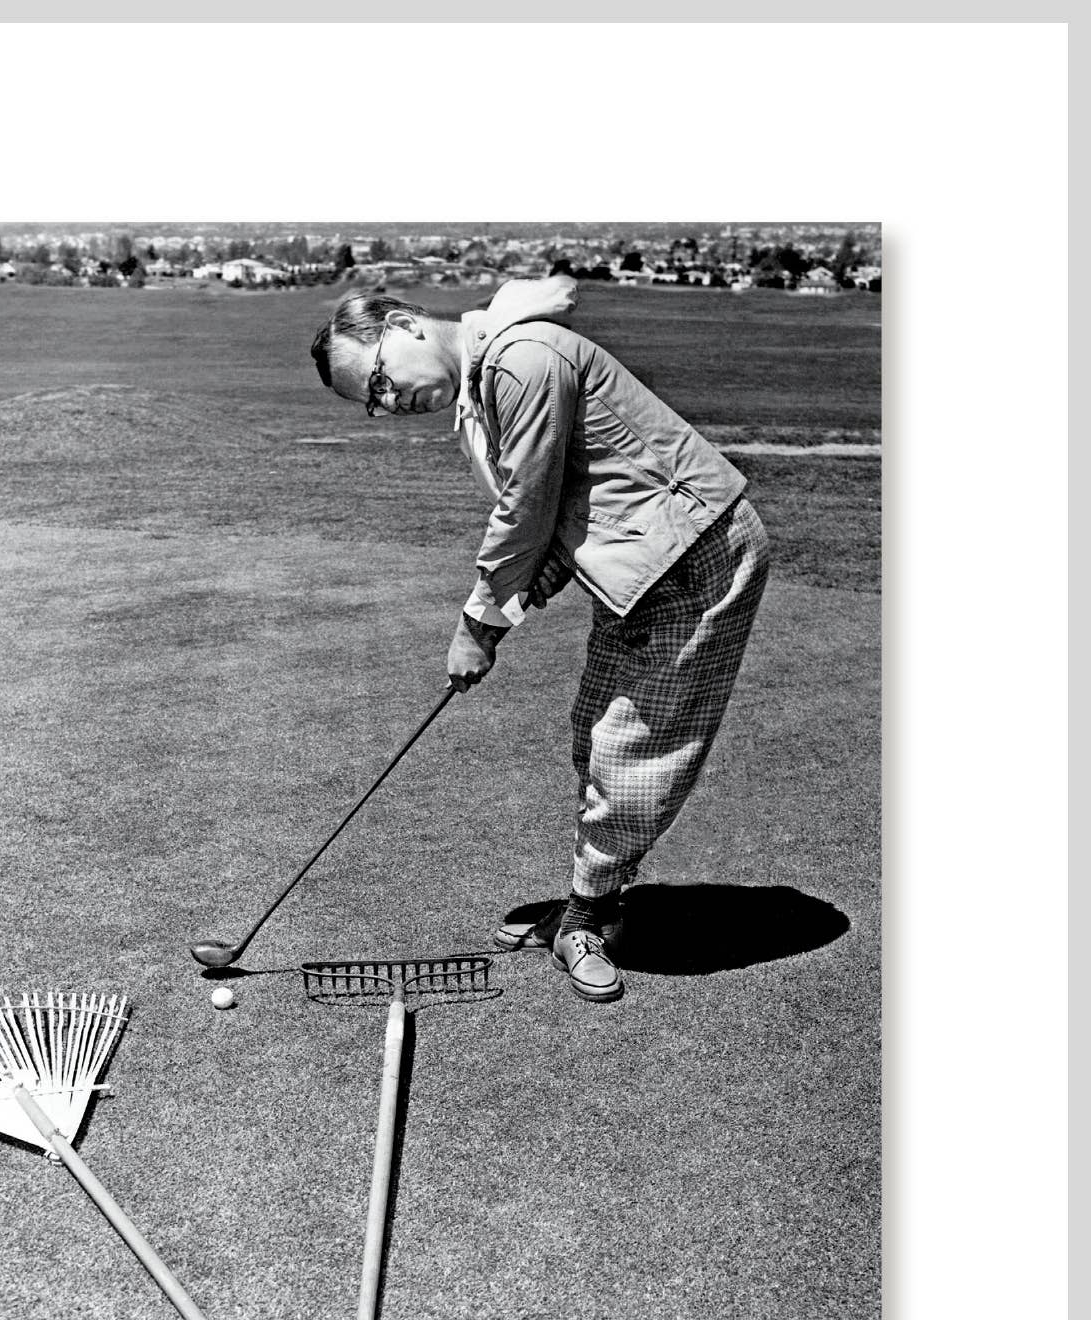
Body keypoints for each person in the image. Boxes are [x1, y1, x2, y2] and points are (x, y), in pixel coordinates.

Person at [308, 275, 770, 1003]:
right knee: (594, 732)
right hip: (643, 565)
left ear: (401, 325)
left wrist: (478, 625)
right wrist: (502, 618)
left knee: (629, 748)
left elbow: (525, 511)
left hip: (695, 556)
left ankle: (585, 919)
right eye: (374, 403)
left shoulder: (521, 359)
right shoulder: (487, 384)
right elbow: (554, 520)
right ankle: (598, 901)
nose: (390, 404)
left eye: (380, 379)